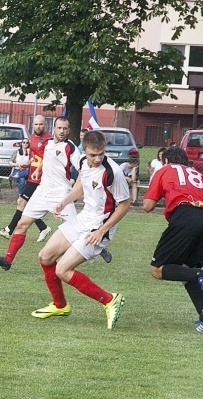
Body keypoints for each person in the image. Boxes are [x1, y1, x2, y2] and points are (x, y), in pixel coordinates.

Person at [32, 130, 130, 330]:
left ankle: (110, 299)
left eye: (101, 154)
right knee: (45, 256)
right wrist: (64, 202)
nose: (97, 158)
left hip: (99, 226)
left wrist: (102, 231)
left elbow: (124, 205)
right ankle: (60, 305)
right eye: (93, 154)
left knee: (62, 270)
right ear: (84, 150)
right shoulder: (82, 161)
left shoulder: (113, 172)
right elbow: (82, 186)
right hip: (83, 219)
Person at [142, 146, 203, 332]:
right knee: (186, 271)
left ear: (167, 161)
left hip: (184, 216)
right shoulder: (200, 175)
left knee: (157, 270)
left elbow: (147, 206)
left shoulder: (164, 170)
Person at [0, 116, 78, 270]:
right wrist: (38, 169)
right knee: (22, 224)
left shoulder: (70, 147)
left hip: (60, 194)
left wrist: (75, 185)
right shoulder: (49, 143)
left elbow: (82, 169)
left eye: (65, 128)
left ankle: (98, 247)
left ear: (69, 130)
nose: (62, 131)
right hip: (42, 192)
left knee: (77, 228)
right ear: (54, 129)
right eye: (59, 128)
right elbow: (47, 158)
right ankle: (7, 260)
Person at [0, 115, 53, 242]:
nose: (38, 126)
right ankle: (43, 228)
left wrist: (38, 170)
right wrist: (26, 165)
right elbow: (34, 158)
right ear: (33, 125)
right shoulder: (31, 138)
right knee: (26, 204)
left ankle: (8, 230)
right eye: (36, 124)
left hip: (41, 178)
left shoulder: (48, 140)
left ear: (45, 125)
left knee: (22, 202)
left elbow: (47, 158)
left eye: (41, 124)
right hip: (32, 176)